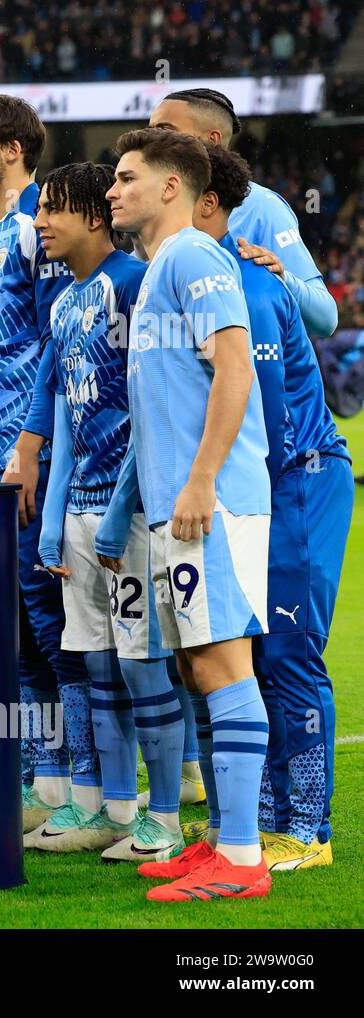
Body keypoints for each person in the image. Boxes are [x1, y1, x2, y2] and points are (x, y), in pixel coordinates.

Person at [104, 127, 272, 902]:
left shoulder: (194, 255)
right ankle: (220, 843)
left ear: (171, 186)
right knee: (196, 665)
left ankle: (241, 861)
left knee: (222, 664)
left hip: (213, 501)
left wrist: (202, 479)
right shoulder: (158, 268)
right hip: (181, 507)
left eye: (127, 177)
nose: (113, 190)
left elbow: (235, 368)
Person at [188, 143, 352, 872]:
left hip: (295, 481)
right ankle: (247, 825)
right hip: (252, 489)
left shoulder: (249, 288)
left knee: (286, 652)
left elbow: (272, 425)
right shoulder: (198, 279)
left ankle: (308, 830)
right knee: (234, 654)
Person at [28, 163, 186, 862]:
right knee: (94, 664)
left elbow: (149, 408)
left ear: (95, 216)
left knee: (144, 665)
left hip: (134, 511)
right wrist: (52, 516)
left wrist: (122, 512)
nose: (40, 224)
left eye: (53, 211)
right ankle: (113, 809)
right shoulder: (65, 303)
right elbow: (66, 416)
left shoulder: (132, 284)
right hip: (81, 512)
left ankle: (169, 817)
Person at [0, 96, 88, 828]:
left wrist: (33, 450)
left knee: (52, 627)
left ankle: (90, 787)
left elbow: (62, 346)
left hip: (21, 467)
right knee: (16, 635)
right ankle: (46, 778)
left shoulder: (39, 231)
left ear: (15, 149)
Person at [147, 88, 337, 338]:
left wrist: (282, 280)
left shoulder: (260, 207)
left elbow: (325, 319)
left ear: (212, 140)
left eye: (165, 130)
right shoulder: (151, 206)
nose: (150, 141)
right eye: (149, 130)